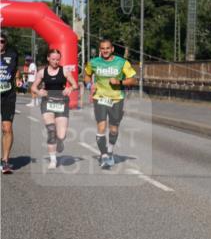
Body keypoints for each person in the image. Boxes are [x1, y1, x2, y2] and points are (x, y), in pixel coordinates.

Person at [85, 39, 137, 169]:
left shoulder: (122, 62)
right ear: (100, 50)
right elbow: (86, 74)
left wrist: (119, 82)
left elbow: (132, 80)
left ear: (112, 49)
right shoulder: (94, 62)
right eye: (102, 48)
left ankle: (110, 151)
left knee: (113, 129)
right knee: (101, 127)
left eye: (107, 48)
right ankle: (104, 155)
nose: (105, 51)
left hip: (117, 99)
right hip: (100, 98)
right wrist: (89, 85)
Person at [31, 48, 78, 169]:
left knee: (61, 135)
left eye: (58, 59)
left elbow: (75, 85)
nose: (56, 62)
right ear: (48, 58)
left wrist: (70, 89)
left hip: (62, 103)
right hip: (47, 103)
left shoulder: (65, 71)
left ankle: (60, 141)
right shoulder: (42, 72)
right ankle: (53, 159)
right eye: (53, 59)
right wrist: (39, 91)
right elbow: (33, 87)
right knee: (51, 130)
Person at [0, 33, 21, 174]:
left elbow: (16, 71)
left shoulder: (12, 54)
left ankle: (5, 161)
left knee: (7, 128)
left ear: (5, 42)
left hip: (8, 95)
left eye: (1, 41)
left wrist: (18, 80)